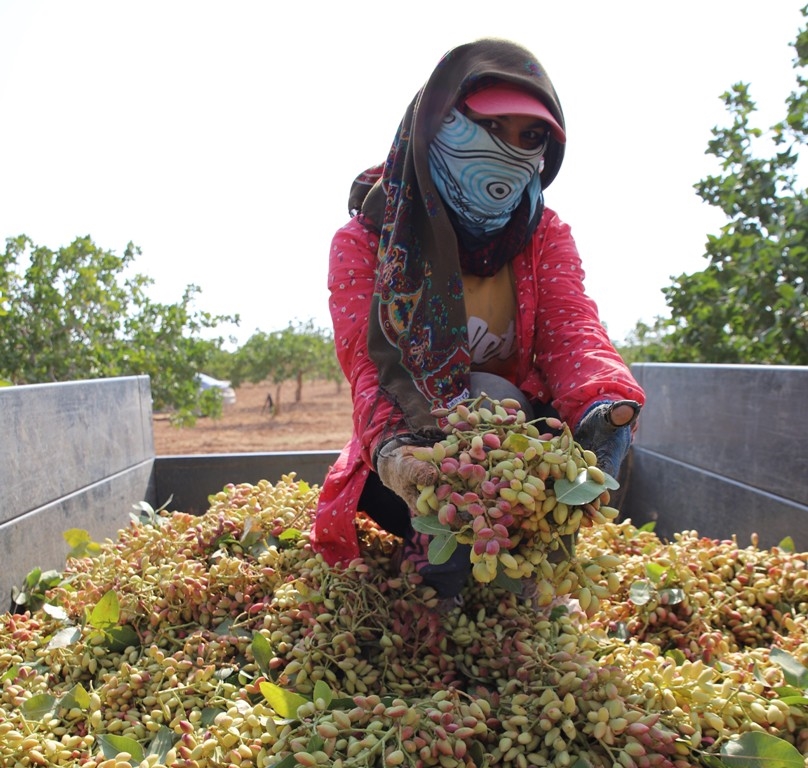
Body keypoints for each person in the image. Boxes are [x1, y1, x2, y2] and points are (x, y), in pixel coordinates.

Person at [311, 38, 645, 600]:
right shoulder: (369, 241)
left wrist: (603, 403)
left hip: (509, 456)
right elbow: (370, 363)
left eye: (530, 138)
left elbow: (573, 329)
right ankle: (436, 559)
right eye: (489, 127)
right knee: (483, 395)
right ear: (436, 125)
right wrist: (394, 451)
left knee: (521, 409)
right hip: (408, 455)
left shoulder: (542, 236)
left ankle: (517, 570)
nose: (509, 153)